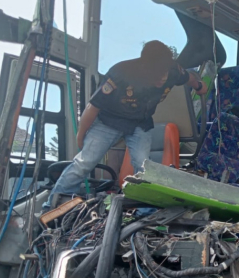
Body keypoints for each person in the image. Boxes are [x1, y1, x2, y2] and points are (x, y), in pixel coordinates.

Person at [45, 40, 207, 208]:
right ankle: (51, 207)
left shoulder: (173, 71)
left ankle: (144, 209)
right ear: (144, 67)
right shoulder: (121, 73)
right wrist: (81, 134)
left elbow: (188, 77)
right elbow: (93, 107)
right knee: (84, 162)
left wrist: (199, 86)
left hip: (140, 123)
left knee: (143, 166)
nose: (162, 79)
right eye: (157, 75)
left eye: (164, 74)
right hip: (109, 120)